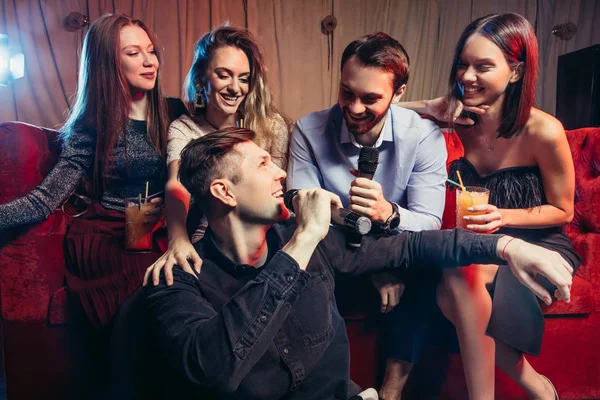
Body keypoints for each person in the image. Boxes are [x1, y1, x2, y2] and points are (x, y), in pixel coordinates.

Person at [144, 128, 573, 400]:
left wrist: (507, 248)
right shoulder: (175, 283)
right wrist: (305, 238)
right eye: (262, 164)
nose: (280, 173)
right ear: (224, 192)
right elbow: (215, 368)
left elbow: (411, 248)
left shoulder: (318, 243)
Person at [400, 13, 580, 400]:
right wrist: (433, 105)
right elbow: (383, 116)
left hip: (539, 246)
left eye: (483, 66)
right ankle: (536, 386)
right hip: (480, 246)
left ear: (515, 72)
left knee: (456, 279)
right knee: (453, 281)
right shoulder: (460, 120)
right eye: (463, 64)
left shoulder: (543, 130)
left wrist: (504, 216)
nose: (467, 76)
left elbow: (563, 211)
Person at [286, 32, 447, 398]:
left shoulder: (423, 137)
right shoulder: (308, 130)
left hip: (399, 251)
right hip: (334, 252)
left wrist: (387, 213)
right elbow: (303, 211)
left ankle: (390, 393)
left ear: (399, 93)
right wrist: (373, 264)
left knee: (430, 263)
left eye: (370, 98)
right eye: (347, 92)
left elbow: (429, 223)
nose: (355, 108)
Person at [0, 14, 185, 329]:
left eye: (151, 50)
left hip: (158, 230)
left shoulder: (175, 111)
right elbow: (43, 200)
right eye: (133, 53)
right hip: (110, 236)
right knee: (154, 288)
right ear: (108, 63)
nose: (149, 61)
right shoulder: (92, 125)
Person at [145, 25, 291, 285]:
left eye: (243, 79)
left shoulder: (271, 126)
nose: (235, 88)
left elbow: (277, 192)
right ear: (202, 77)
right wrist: (178, 239)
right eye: (224, 75)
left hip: (267, 245)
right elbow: (176, 183)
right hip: (211, 247)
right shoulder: (184, 128)